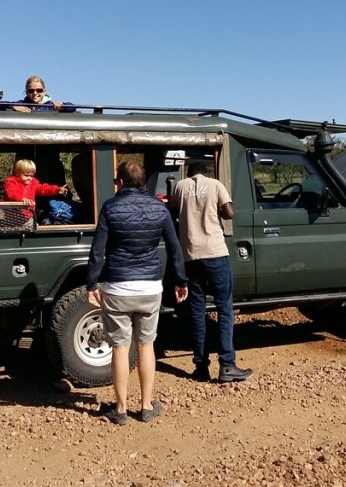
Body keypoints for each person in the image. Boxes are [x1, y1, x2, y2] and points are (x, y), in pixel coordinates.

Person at [86, 161, 188, 425]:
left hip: (117, 287)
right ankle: (145, 406)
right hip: (150, 287)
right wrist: (180, 281)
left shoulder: (110, 207)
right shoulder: (160, 208)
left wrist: (91, 284)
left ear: (120, 181)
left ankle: (119, 409)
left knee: (120, 348)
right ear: (144, 182)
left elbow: (98, 250)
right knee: (146, 345)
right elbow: (175, 248)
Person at [171, 160, 253, 383]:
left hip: (190, 256)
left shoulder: (180, 186)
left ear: (189, 173)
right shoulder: (216, 184)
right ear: (206, 172)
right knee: (224, 309)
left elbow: (172, 210)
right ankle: (227, 365)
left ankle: (200, 367)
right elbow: (230, 213)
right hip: (216, 253)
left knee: (197, 312)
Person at [3, 159, 69, 224]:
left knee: (34, 229)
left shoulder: (33, 183)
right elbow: (11, 193)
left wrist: (57, 189)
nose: (29, 178)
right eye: (26, 175)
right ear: (17, 173)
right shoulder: (11, 182)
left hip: (28, 217)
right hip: (12, 217)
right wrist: (22, 199)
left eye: (31, 176)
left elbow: (43, 188)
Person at [11, 75, 76, 113]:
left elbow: (73, 107)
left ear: (44, 92)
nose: (35, 93)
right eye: (31, 90)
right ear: (26, 92)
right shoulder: (21, 104)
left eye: (39, 90)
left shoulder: (50, 106)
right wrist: (13, 106)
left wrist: (62, 106)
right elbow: (1, 104)